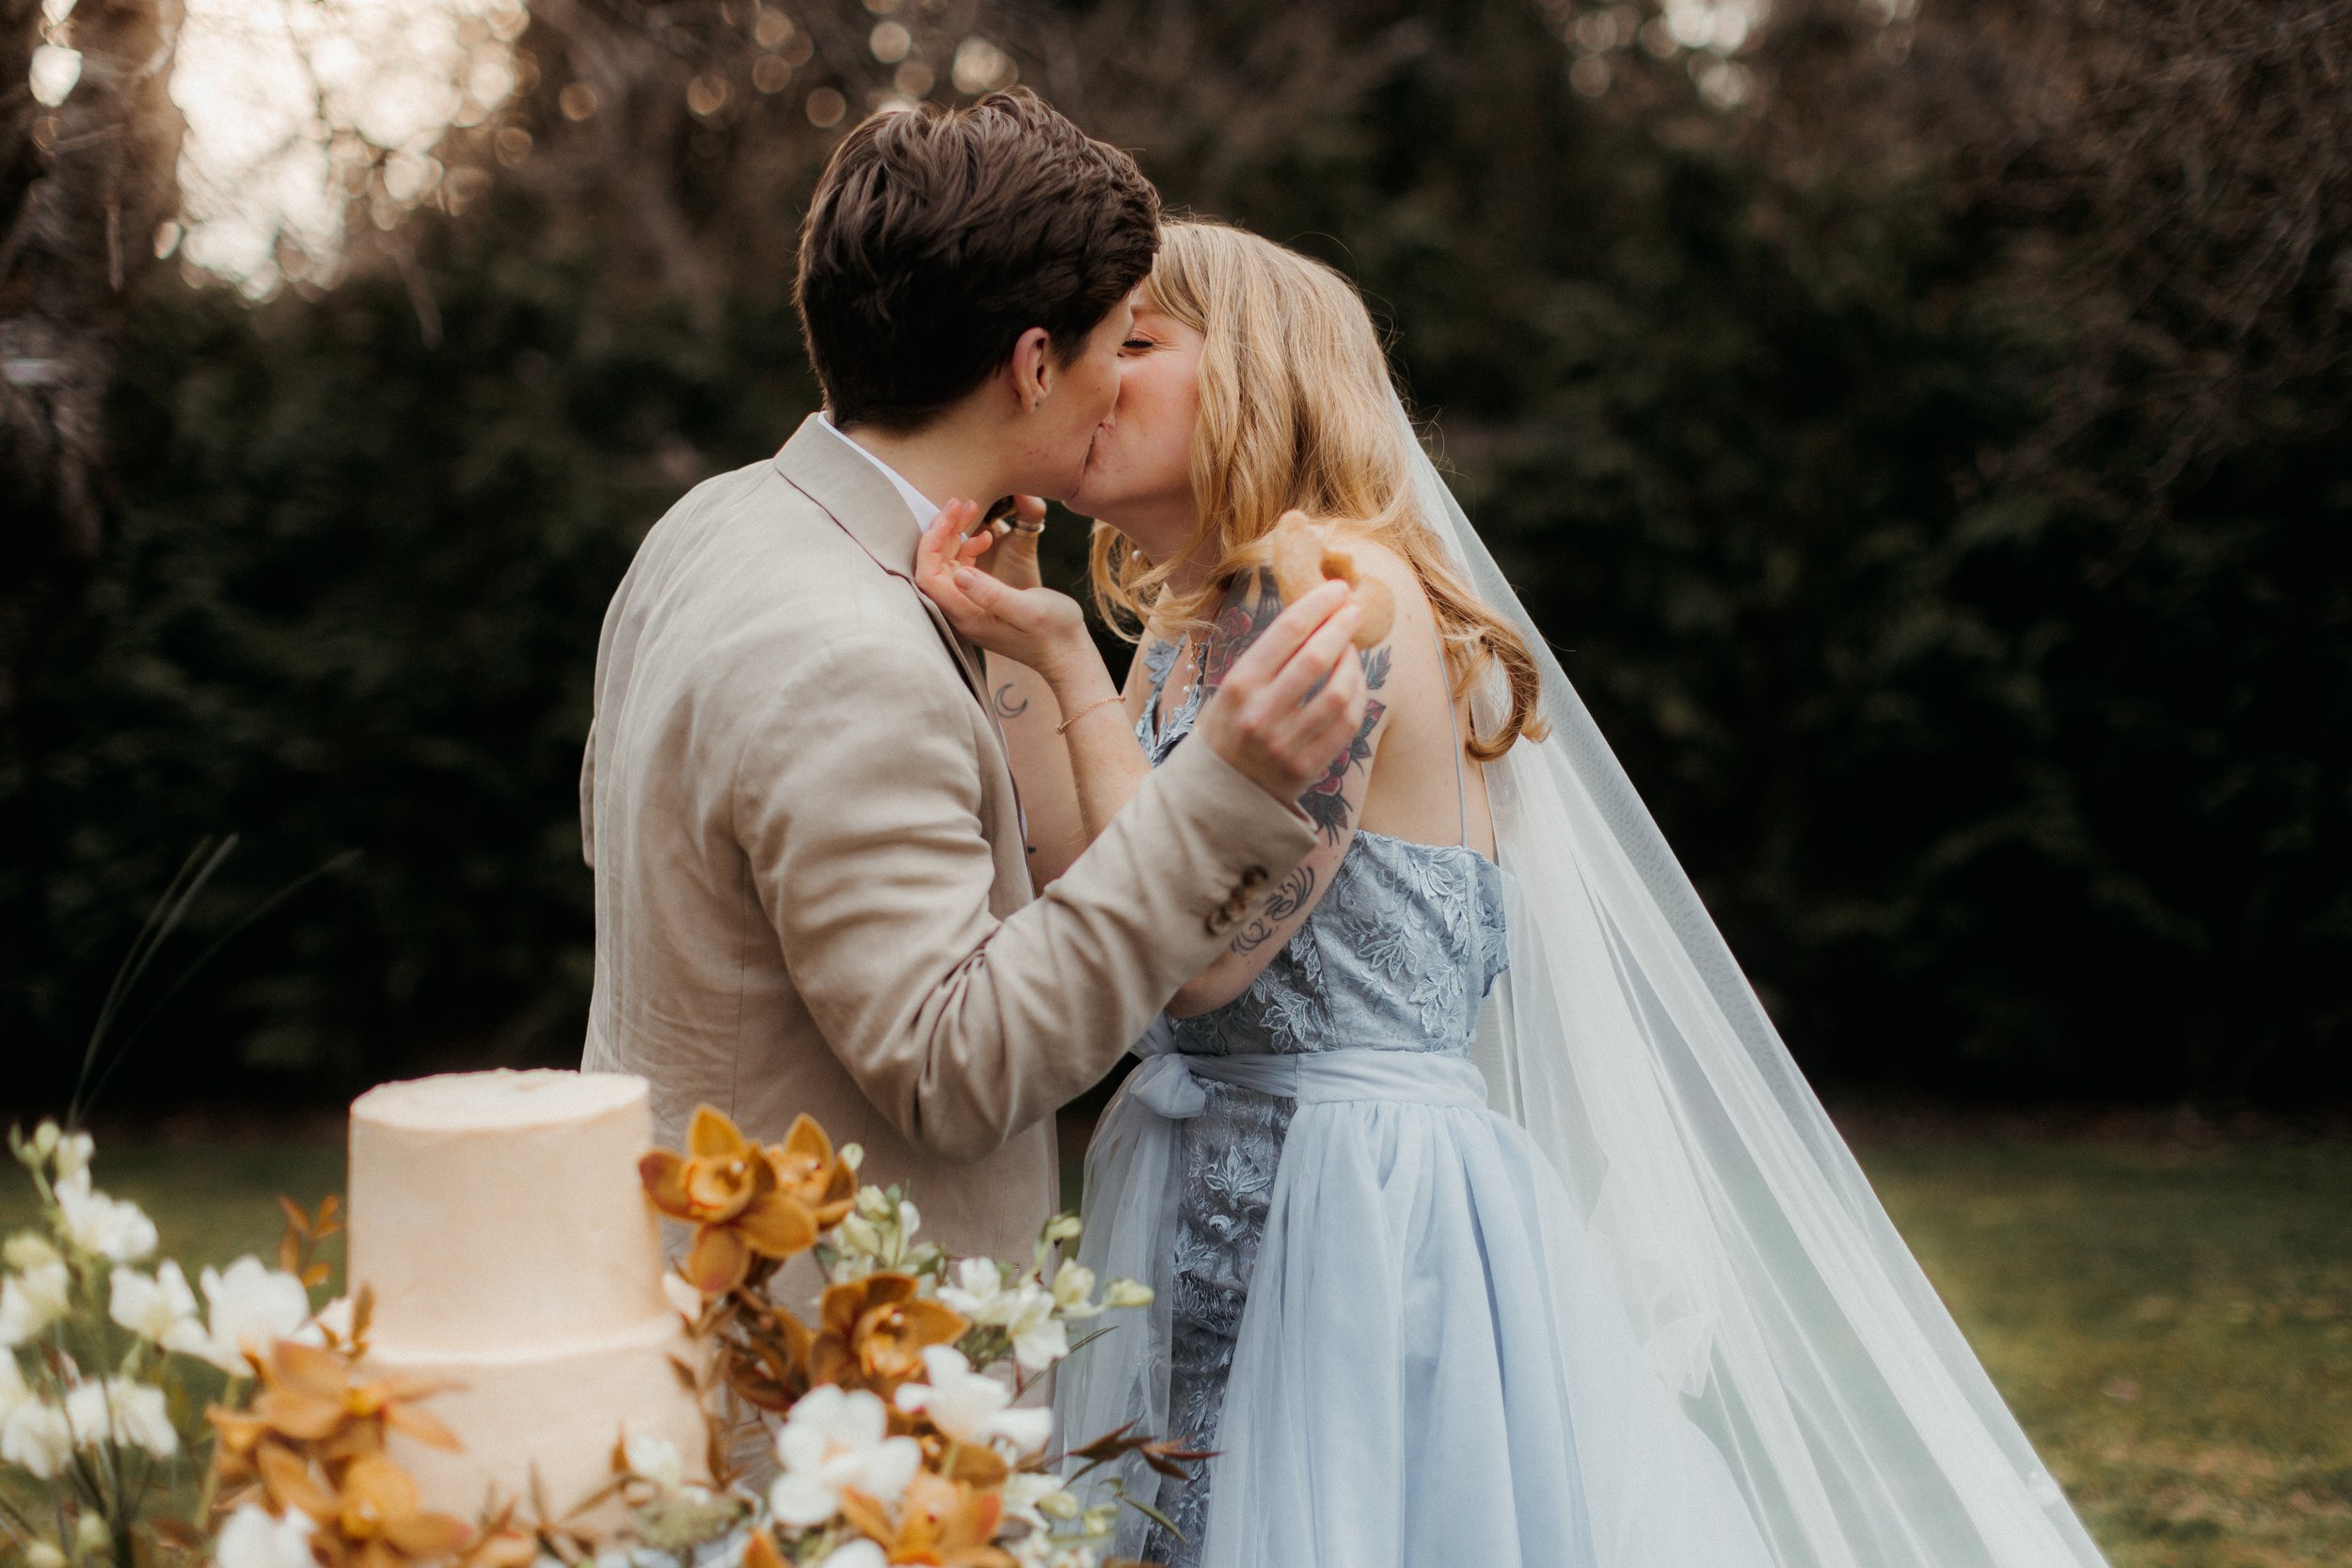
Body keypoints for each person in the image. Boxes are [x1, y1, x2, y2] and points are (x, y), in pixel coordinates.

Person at [915, 219, 2116, 1568]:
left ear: (1258, 375)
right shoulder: (1199, 622)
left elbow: (1191, 959)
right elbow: (1088, 895)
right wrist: (1016, 637)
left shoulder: (1336, 597)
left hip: (1352, 1201)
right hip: (1206, 1156)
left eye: (1134, 342)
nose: (1091, 375)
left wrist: (1069, 664)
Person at [577, 96, 1370, 1276]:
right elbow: (956, 1069)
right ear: (1037, 362)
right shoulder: (848, 648)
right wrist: (1218, 794)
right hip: (820, 1362)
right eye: (1119, 342)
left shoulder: (713, 522)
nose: (1119, 383)